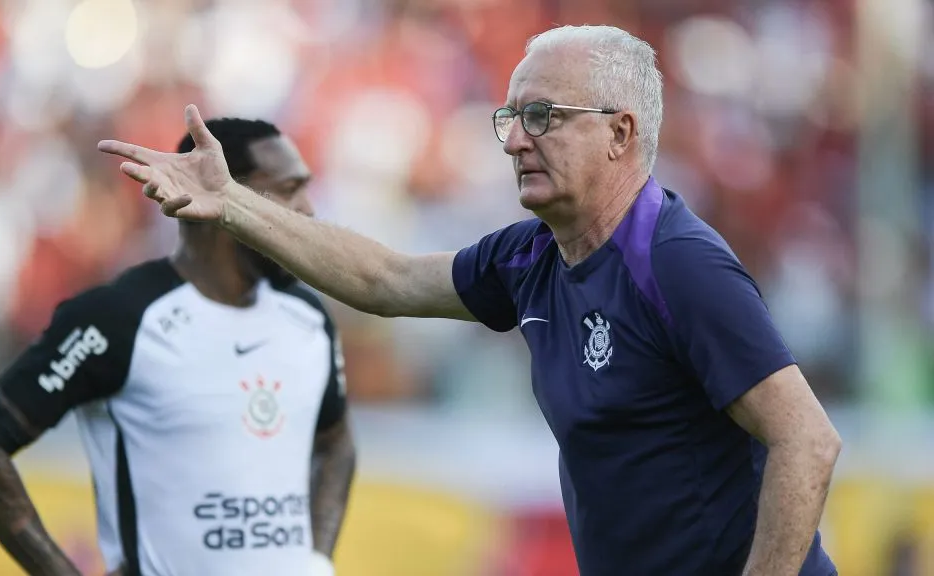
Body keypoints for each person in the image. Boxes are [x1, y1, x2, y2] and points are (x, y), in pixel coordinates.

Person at [98, 25, 842, 576]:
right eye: (509, 118)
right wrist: (233, 206)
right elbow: (384, 280)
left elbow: (807, 439)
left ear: (621, 133)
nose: (514, 140)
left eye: (543, 116)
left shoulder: (676, 262)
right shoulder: (531, 256)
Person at [0, 118, 356, 576]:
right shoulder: (119, 317)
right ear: (222, 193)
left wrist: (316, 562)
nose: (308, 210)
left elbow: (336, 442)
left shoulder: (307, 317)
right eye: (288, 190)